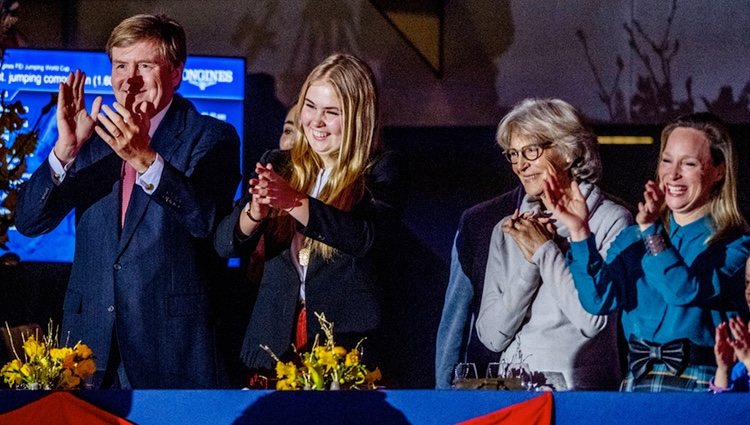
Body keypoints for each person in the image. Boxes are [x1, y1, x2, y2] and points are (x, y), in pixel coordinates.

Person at [15, 14, 240, 388]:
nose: (129, 79)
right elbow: (29, 222)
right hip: (90, 352)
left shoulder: (211, 137)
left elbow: (207, 224)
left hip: (170, 351)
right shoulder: (92, 138)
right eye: (120, 65)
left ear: (176, 74)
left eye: (145, 65)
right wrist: (65, 150)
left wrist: (145, 160)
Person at [214, 53, 403, 379]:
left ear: (358, 118)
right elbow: (224, 245)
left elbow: (364, 239)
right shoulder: (280, 162)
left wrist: (294, 201)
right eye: (310, 106)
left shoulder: (379, 170)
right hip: (273, 343)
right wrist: (254, 212)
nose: (316, 121)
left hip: (343, 346)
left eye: (331, 112)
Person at [547, 112, 750, 391]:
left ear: (719, 171)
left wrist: (653, 234)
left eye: (688, 163)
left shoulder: (734, 244)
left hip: (702, 386)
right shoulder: (633, 237)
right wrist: (580, 231)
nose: (673, 173)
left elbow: (683, 291)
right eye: (667, 160)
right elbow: (598, 301)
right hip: (638, 384)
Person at [475, 98, 629, 390]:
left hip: (577, 396)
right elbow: (491, 336)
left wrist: (546, 253)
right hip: (513, 392)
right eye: (513, 154)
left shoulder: (612, 220)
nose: (520, 165)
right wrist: (530, 266)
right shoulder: (508, 229)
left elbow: (592, 322)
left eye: (531, 151)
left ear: (568, 151)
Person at [435, 186, 525, 389]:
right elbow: (456, 314)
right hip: (490, 383)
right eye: (514, 154)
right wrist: (444, 391)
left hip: (580, 387)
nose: (522, 164)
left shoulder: (605, 216)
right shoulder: (480, 220)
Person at [711, 258, 750, 392]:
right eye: (748, 282)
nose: (748, 291)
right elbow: (719, 407)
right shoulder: (743, 338)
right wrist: (723, 369)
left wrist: (747, 360)